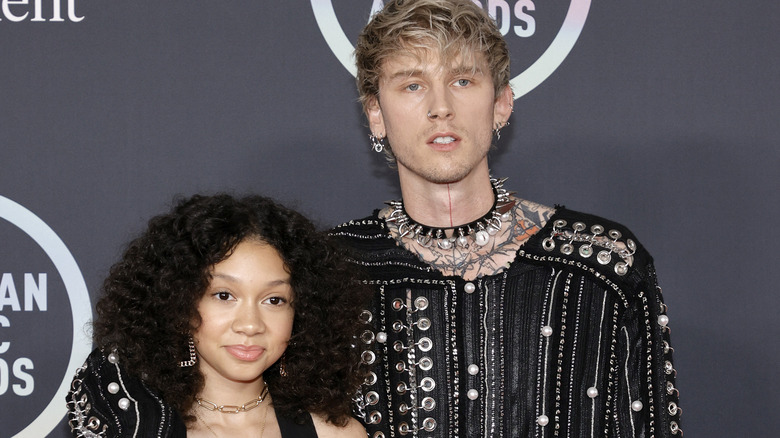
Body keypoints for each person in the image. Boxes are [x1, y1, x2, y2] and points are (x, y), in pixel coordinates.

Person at [330, 0, 682, 437]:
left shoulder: (602, 265)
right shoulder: (330, 272)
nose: (441, 107)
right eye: (412, 85)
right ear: (376, 115)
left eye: (462, 80)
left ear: (501, 104)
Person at [66, 194, 369, 438]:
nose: (250, 325)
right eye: (224, 296)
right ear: (180, 301)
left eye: (274, 300)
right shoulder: (134, 425)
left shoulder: (337, 434)